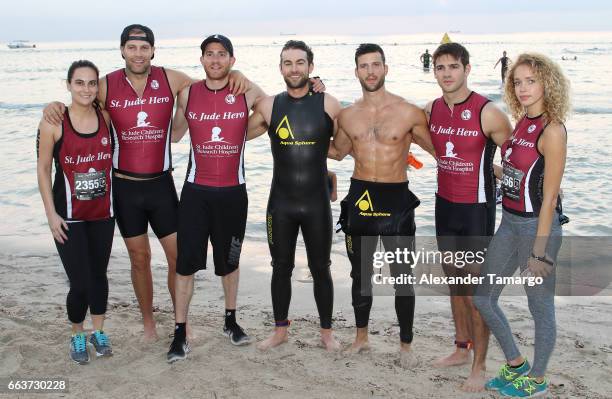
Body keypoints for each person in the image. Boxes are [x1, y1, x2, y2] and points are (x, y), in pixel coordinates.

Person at [42, 24, 249, 342]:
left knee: (178, 259)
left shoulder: (171, 79)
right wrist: (53, 106)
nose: (138, 53)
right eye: (131, 47)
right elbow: (79, 102)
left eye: (144, 47)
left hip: (161, 186)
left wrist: (240, 79)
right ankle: (149, 324)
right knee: (140, 259)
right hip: (124, 189)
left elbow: (211, 86)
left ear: (153, 50)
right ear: (122, 50)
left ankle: (183, 323)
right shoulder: (107, 84)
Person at [328, 43, 435, 368]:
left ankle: (406, 346)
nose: (371, 71)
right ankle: (361, 338)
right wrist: (293, 134)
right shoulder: (347, 115)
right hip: (361, 199)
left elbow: (441, 151)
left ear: (386, 68)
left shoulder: (409, 112)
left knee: (403, 277)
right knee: (361, 276)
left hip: (396, 201)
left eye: (376, 64)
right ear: (356, 71)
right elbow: (336, 151)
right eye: (364, 65)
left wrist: (493, 169)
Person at [473, 53, 569, 398]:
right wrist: (483, 169)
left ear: (547, 84)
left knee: (539, 306)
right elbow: (518, 175)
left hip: (536, 230)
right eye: (518, 82)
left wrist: (539, 254)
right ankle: (516, 364)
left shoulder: (552, 130)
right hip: (509, 224)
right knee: (483, 298)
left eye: (531, 81)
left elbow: (548, 198)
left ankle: (539, 378)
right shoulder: (522, 124)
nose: (524, 88)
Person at [423, 42, 513, 391]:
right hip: (444, 205)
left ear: (467, 69)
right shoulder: (431, 109)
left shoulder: (487, 111)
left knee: (478, 292)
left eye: (453, 67)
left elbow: (518, 157)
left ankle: (479, 365)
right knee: (455, 282)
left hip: (477, 210)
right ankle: (461, 348)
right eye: (440, 68)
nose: (446, 74)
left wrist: (544, 190)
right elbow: (411, 131)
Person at [247, 40, 342, 352]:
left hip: (316, 204)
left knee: (320, 267)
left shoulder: (329, 103)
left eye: (300, 62)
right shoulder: (269, 105)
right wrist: (238, 79)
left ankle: (327, 333)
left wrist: (329, 172)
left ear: (310, 67)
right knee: (281, 267)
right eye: (288, 63)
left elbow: (342, 148)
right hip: (281, 204)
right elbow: (236, 130)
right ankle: (280, 330)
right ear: (280, 68)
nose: (294, 68)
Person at [37, 60, 115, 364]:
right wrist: (50, 214)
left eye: (92, 83)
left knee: (99, 276)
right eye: (79, 82)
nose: (86, 88)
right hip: (68, 216)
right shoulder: (54, 122)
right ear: (68, 85)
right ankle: (77, 335)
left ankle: (98, 332)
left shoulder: (106, 118)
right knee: (80, 281)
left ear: (97, 87)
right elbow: (43, 170)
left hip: (103, 213)